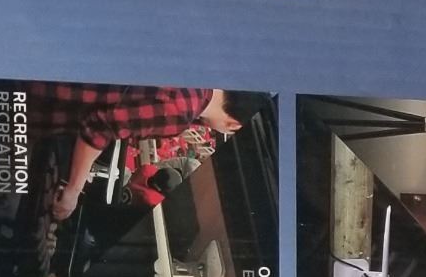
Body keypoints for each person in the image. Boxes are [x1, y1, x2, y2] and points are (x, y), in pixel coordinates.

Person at [37, 86, 262, 220]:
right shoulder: (179, 112)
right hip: (47, 103)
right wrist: (73, 192)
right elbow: (99, 128)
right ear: (234, 125)